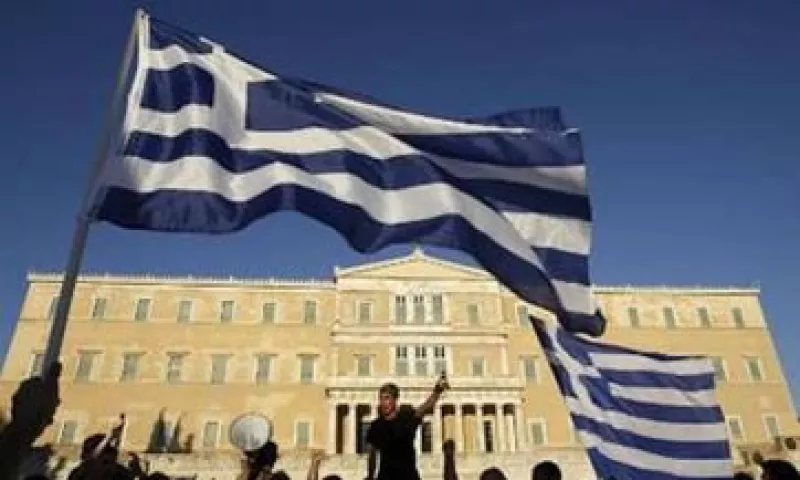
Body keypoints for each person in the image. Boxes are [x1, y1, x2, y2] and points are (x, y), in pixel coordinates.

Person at [365, 373, 449, 480]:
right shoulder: (376, 426)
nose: (383, 403)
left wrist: (437, 390)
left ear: (395, 400)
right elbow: (372, 454)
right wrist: (371, 475)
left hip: (408, 475)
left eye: (387, 398)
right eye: (381, 399)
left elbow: (426, 407)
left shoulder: (406, 418)